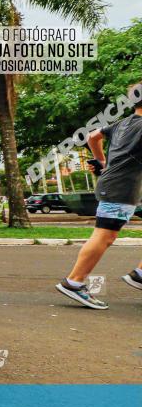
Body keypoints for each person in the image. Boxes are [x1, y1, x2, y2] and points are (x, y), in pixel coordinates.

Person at [56, 82, 142, 308]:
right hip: (120, 188)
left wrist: (104, 162)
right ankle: (73, 283)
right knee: (105, 236)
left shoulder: (124, 122)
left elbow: (93, 136)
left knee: (106, 235)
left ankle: (140, 274)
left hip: (119, 186)